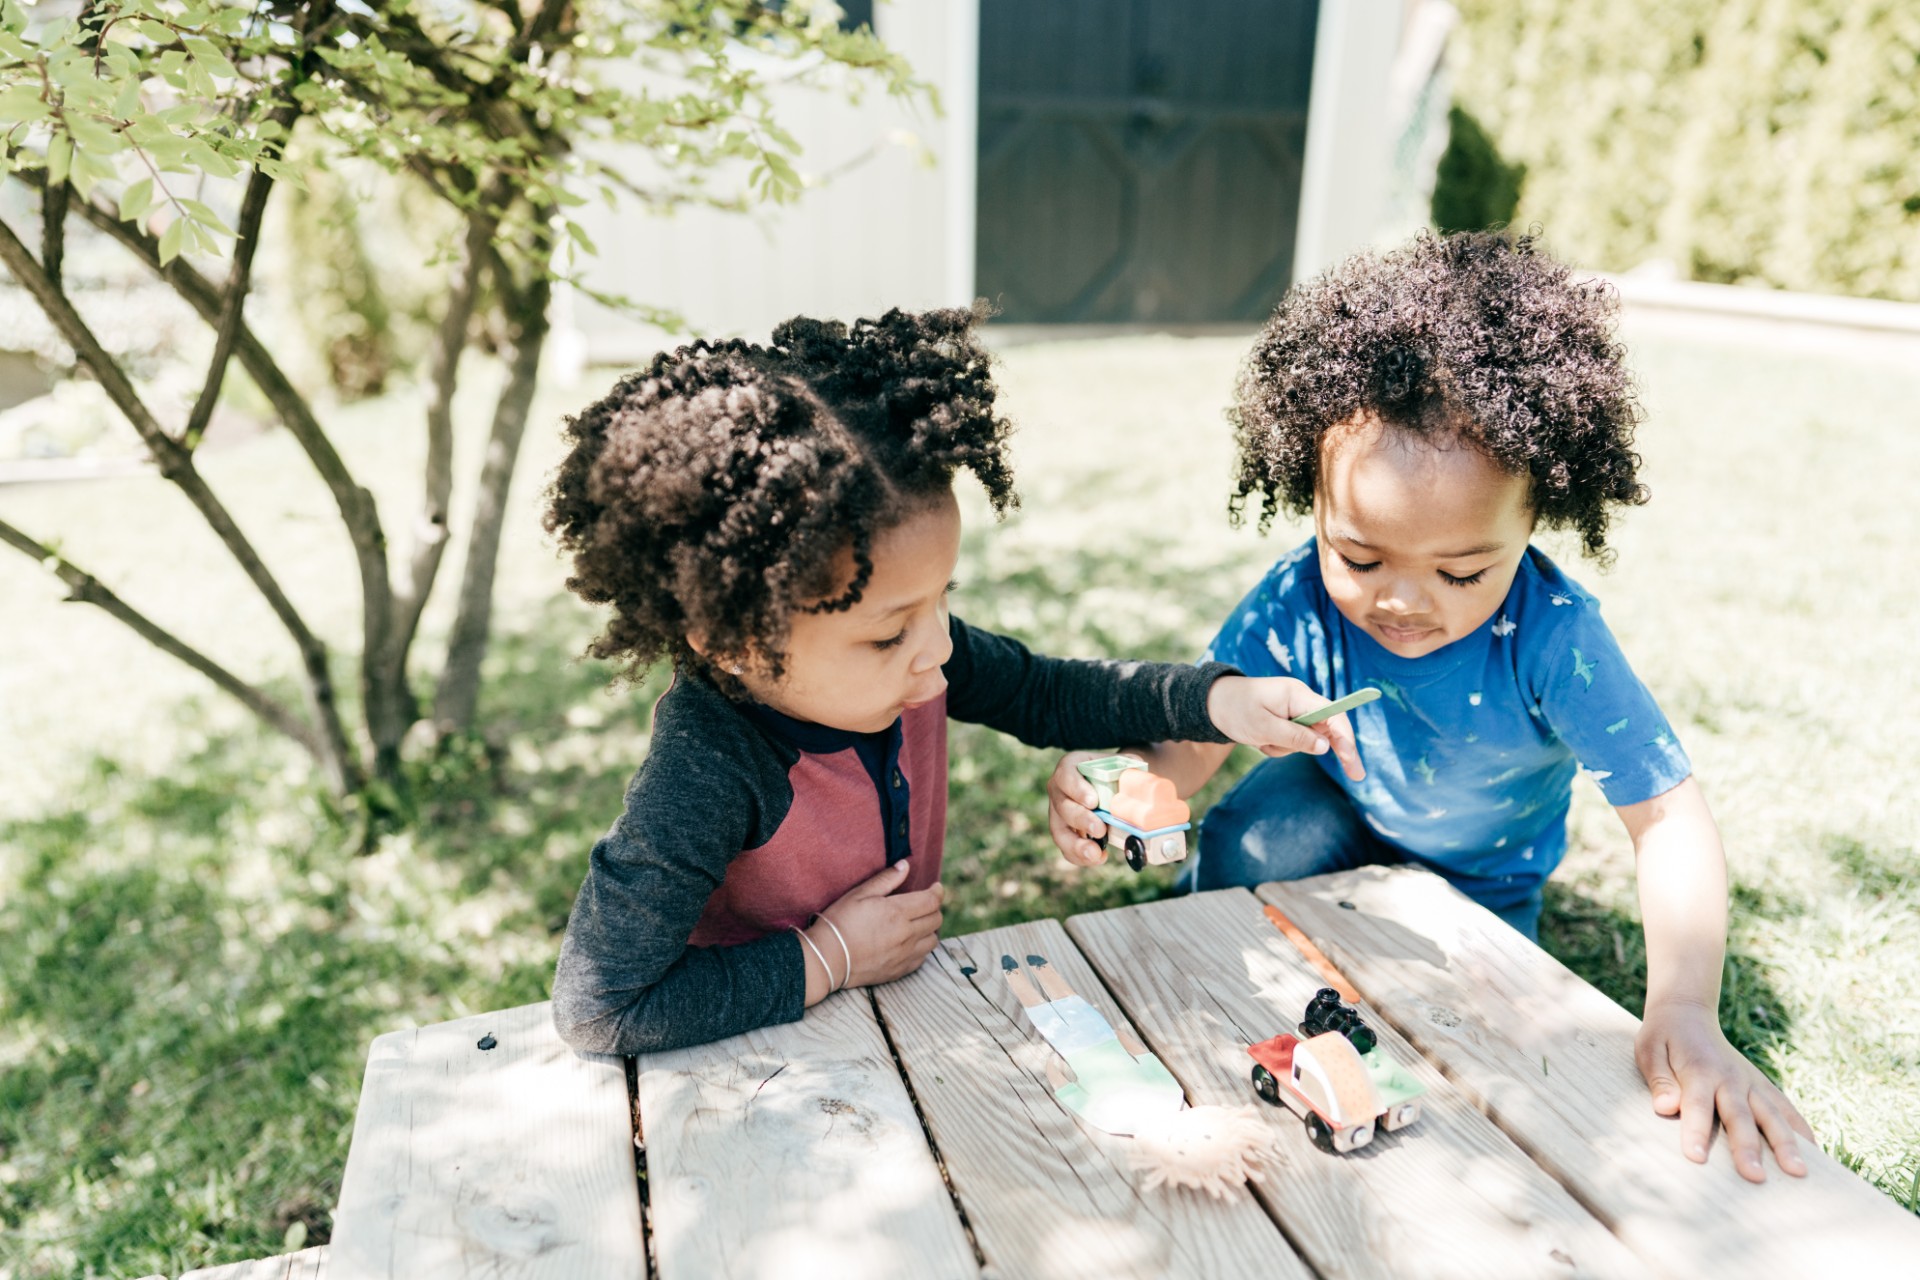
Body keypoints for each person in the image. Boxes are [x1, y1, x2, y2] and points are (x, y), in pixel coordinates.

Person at [1043, 232, 1813, 1183]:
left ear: (1532, 522)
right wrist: (1118, 789)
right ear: (1314, 507)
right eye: (1359, 558)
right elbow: (1189, 752)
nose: (1403, 601)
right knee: (1253, 838)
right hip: (1331, 818)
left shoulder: (1554, 638)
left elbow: (1669, 822)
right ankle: (1195, 985)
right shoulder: (1297, 599)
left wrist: (1687, 1009)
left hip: (1479, 885)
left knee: (1453, 1044)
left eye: (1462, 570)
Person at [544, 306, 1360, 1056]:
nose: (937, 649)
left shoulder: (921, 663)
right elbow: (599, 1005)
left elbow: (1053, 691)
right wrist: (827, 958)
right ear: (733, 642)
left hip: (903, 1023)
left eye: (945, 601)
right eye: (890, 632)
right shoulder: (709, 765)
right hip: (753, 1063)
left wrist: (1219, 700)